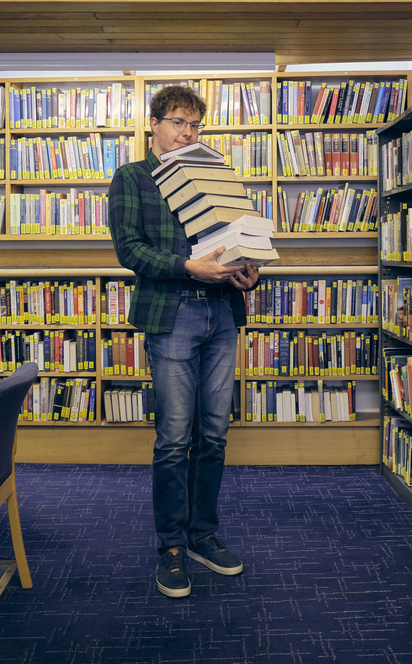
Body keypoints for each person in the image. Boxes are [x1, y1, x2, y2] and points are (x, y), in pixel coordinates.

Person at [108, 85, 259, 598]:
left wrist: (248, 271)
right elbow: (129, 249)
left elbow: (238, 241)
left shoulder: (212, 175)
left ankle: (203, 536)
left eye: (195, 125)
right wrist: (185, 267)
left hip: (221, 313)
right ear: (153, 124)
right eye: (177, 122)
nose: (187, 133)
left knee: (213, 435)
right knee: (174, 438)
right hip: (173, 316)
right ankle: (170, 546)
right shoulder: (133, 177)